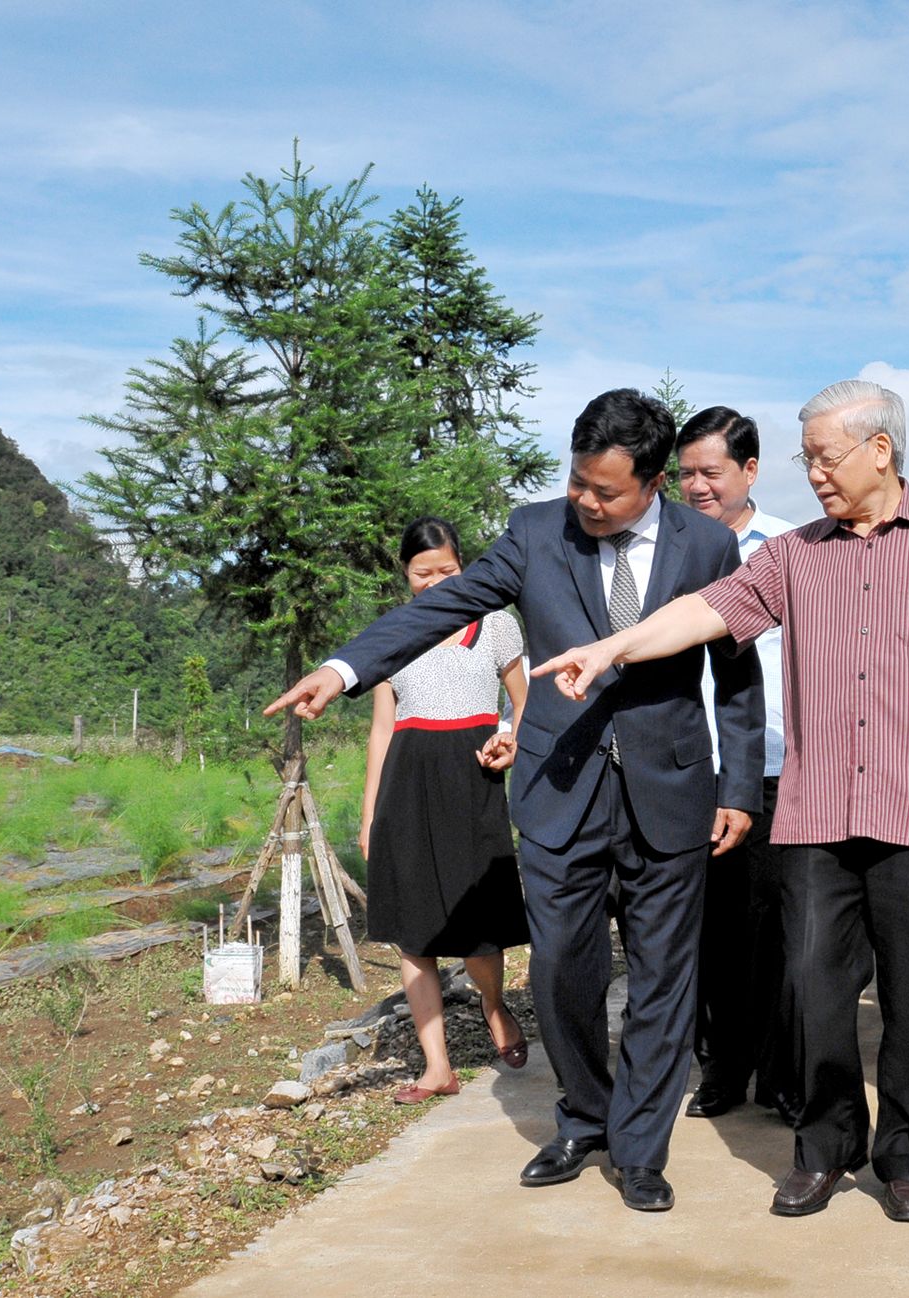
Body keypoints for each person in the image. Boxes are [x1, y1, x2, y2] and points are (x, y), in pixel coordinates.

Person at [532, 380, 909, 1225]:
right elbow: (702, 611)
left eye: (824, 456)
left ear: (880, 450)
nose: (812, 475)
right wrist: (615, 645)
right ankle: (827, 1148)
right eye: (805, 459)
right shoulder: (795, 553)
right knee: (810, 987)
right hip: (814, 811)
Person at [267, 389, 764, 1213]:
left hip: (672, 790)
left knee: (665, 978)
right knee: (566, 968)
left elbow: (736, 674)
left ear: (652, 484)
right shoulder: (536, 531)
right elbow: (445, 605)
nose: (587, 502)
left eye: (606, 492)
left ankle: (640, 1148)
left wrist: (739, 785)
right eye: (578, 483)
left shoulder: (709, 545)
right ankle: (584, 1118)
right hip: (559, 784)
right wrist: (344, 668)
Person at [356, 515, 532, 1102]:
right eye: (421, 573)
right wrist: (369, 815)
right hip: (407, 780)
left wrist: (511, 742)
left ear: (467, 567)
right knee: (414, 932)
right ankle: (438, 1068)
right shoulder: (392, 633)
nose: (434, 583)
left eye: (447, 572)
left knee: (478, 929)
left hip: (472, 776)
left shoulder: (500, 626)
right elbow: (382, 731)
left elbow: (525, 704)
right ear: (405, 575)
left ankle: (493, 1003)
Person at [674, 407, 800, 1122]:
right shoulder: (667, 551)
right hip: (690, 768)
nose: (696, 486)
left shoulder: (788, 549)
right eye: (685, 473)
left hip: (777, 766)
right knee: (711, 929)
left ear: (749, 471)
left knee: (779, 928)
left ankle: (783, 1070)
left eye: (710, 472)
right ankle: (724, 1065)